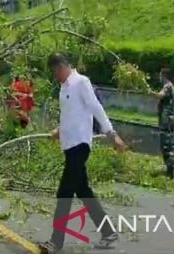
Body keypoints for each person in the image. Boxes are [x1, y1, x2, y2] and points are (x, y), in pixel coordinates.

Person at [37, 54, 127, 254]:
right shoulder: (65, 87)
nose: (55, 76)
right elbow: (70, 114)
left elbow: (96, 108)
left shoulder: (81, 82)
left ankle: (55, 242)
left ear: (62, 67)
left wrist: (112, 135)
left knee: (64, 193)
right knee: (83, 191)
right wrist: (59, 130)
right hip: (69, 146)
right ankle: (108, 232)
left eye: (55, 71)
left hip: (80, 145)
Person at [152, 68, 174, 179]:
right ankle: (169, 168)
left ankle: (170, 170)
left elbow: (160, 95)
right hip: (167, 119)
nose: (159, 77)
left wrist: (149, 92)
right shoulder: (169, 86)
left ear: (164, 76)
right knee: (167, 143)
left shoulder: (168, 86)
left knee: (166, 144)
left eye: (160, 75)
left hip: (167, 120)